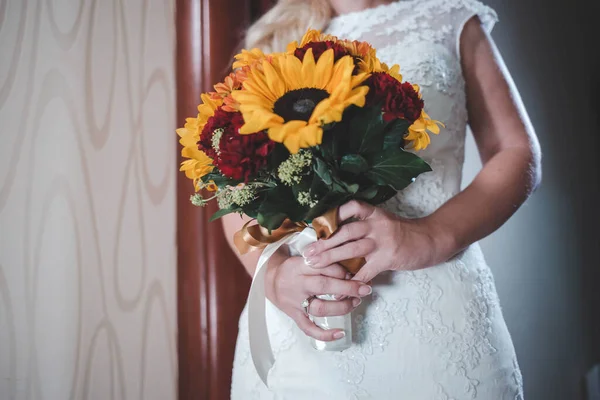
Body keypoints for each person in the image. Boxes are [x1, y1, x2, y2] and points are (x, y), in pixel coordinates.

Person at [224, 0, 540, 398]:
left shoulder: (451, 19)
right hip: (299, 325)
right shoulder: (270, 43)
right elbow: (235, 191)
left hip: (436, 315)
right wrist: (271, 277)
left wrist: (432, 235)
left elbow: (515, 151)